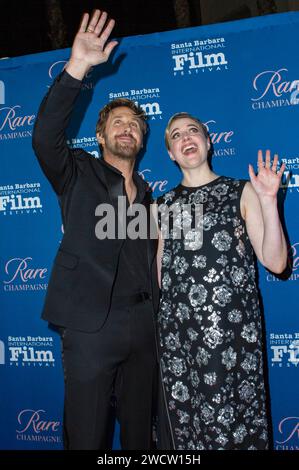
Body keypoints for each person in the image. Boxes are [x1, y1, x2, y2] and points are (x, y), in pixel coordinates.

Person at [32, 10, 159, 450]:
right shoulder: (77, 172)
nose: (128, 128)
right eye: (117, 123)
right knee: (87, 437)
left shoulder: (147, 196)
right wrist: (78, 68)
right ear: (101, 138)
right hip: (89, 328)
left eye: (135, 124)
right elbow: (45, 137)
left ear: (142, 140)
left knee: (141, 438)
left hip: (144, 327)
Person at [156, 112, 287, 450]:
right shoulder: (160, 207)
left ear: (208, 141)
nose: (186, 137)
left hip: (232, 344)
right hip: (179, 344)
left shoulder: (240, 192)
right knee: (188, 435)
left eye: (193, 130)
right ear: (170, 153)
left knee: (234, 432)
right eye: (176, 135)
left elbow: (276, 262)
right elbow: (160, 280)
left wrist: (269, 201)